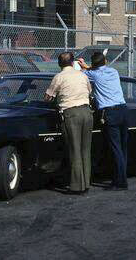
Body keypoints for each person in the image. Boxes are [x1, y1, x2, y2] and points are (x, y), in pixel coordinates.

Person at [78, 52, 129, 191]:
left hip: (109, 112)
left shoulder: (92, 75)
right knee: (122, 148)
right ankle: (121, 177)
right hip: (123, 110)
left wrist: (82, 66)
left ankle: (120, 182)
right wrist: (88, 66)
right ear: (105, 61)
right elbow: (94, 69)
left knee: (115, 149)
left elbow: (83, 73)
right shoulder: (113, 71)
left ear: (93, 64)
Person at [45, 51, 93, 195]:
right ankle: (86, 182)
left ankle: (77, 185)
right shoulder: (83, 75)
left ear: (59, 64)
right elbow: (90, 92)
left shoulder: (59, 77)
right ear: (73, 63)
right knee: (85, 149)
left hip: (71, 114)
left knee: (74, 149)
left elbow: (48, 97)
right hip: (87, 112)